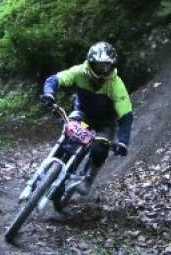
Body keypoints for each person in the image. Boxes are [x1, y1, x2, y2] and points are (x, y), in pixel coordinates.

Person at [40, 41, 133, 194]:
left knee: (99, 149)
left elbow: (126, 115)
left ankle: (88, 179)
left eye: (107, 67)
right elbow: (56, 79)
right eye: (99, 66)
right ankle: (51, 168)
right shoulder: (79, 72)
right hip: (83, 117)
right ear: (90, 63)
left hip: (104, 124)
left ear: (112, 67)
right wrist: (49, 93)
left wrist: (123, 141)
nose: (103, 72)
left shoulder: (116, 85)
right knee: (68, 135)